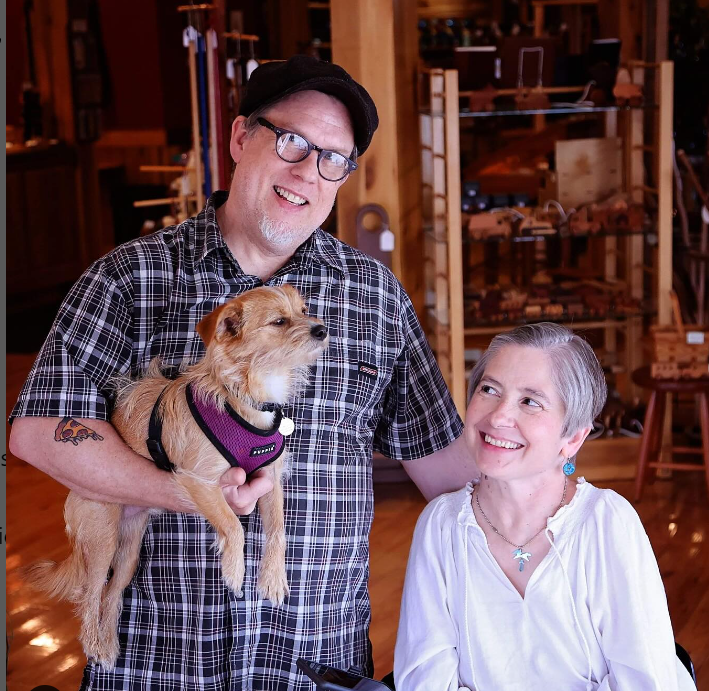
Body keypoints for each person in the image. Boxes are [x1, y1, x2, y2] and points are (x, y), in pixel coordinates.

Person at [9, 55, 476, 690]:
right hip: (158, 669)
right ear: (239, 137)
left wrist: (557, 493)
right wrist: (188, 492)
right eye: (291, 141)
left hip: (316, 668)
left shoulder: (373, 298)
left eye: (333, 158)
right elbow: (40, 430)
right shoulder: (131, 278)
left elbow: (450, 474)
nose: (308, 171)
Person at [394, 323, 696, 691]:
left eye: (530, 401)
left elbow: (647, 683)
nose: (500, 416)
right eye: (489, 390)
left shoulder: (606, 524)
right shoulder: (441, 526)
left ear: (573, 438)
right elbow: (424, 680)